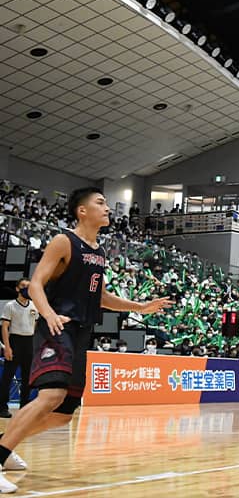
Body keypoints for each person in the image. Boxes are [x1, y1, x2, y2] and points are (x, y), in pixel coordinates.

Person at [0, 188, 172, 494]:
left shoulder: (100, 252)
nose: (107, 208)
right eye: (100, 203)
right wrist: (49, 314)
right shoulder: (64, 241)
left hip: (81, 332)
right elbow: (36, 284)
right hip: (58, 326)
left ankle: (5, 444)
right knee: (51, 396)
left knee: (62, 415)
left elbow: (101, 296)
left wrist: (140, 307)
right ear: (82, 211)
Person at [0, 279, 37, 418]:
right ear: (17, 288)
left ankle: (24, 407)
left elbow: (35, 326)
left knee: (28, 378)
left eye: (28, 286)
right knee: (7, 377)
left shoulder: (34, 305)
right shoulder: (10, 306)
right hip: (15, 341)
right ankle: (2, 407)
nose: (26, 289)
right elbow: (5, 327)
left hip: (29, 342)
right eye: (23, 286)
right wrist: (7, 347)